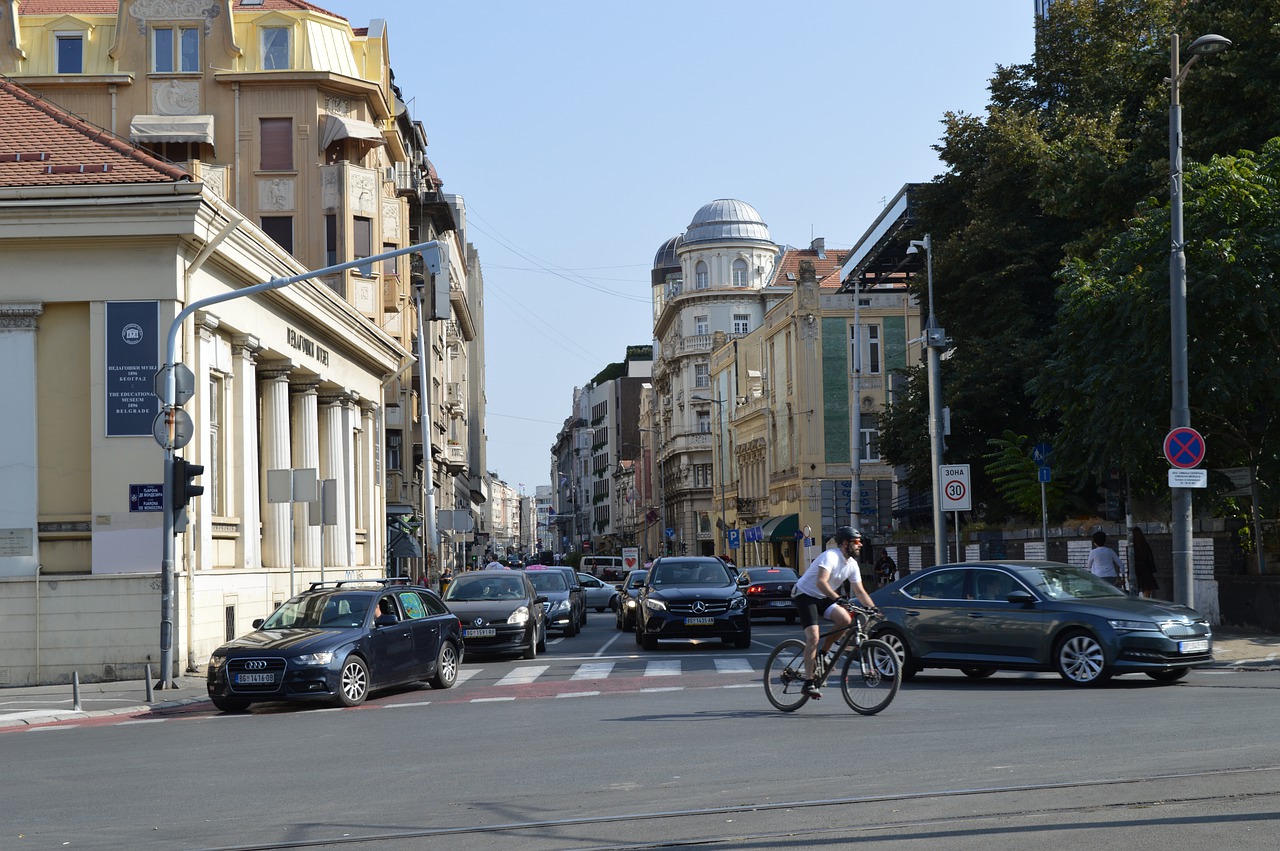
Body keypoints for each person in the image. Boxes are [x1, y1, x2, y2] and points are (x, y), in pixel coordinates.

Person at [791, 526, 879, 699]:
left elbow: (860, 591)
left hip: (824, 596)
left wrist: (873, 608)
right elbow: (821, 582)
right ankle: (808, 683)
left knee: (846, 620)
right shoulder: (830, 556)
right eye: (856, 542)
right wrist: (837, 598)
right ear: (845, 544)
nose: (860, 545)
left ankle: (823, 654)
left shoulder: (852, 564)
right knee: (813, 637)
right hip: (806, 595)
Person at [1130, 527, 1159, 598]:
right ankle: (1147, 600)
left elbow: (1129, 560)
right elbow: (1150, 557)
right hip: (1146, 568)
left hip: (1135, 568)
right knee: (1146, 587)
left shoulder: (1131, 547)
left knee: (1135, 587)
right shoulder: (1145, 545)